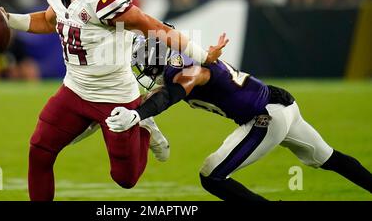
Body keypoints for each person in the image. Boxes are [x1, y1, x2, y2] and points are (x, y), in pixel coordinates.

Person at [0, 0, 225, 201]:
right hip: (74, 89)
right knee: (39, 151)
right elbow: (48, 21)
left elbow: (155, 28)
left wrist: (201, 54)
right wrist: (8, 19)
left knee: (125, 179)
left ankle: (144, 124)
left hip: (115, 96)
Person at [106, 36, 372, 201]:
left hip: (265, 117)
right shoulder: (181, 64)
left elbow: (171, 94)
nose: (143, 72)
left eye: (144, 64)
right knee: (327, 157)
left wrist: (138, 115)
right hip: (281, 105)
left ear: (157, 60)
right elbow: (158, 94)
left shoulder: (187, 71)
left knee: (211, 176)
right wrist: (140, 115)